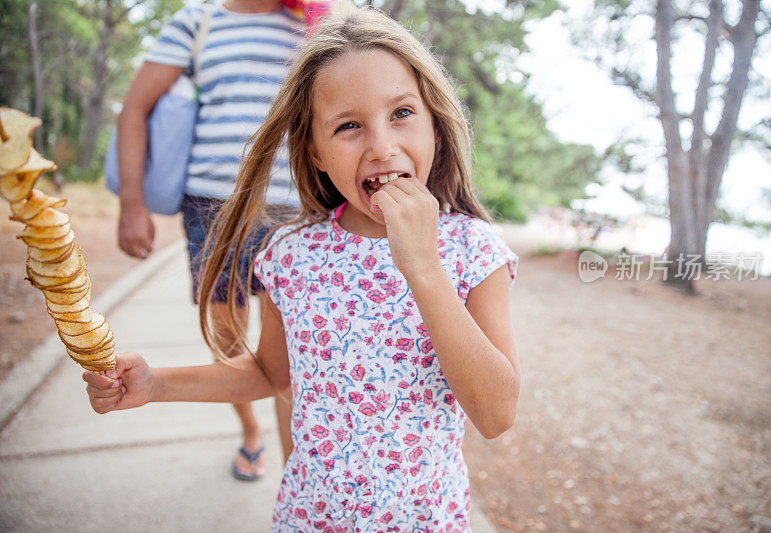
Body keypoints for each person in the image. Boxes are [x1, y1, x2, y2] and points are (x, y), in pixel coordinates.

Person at [88, 6, 520, 529]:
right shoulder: (290, 255)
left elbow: (496, 416)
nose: (382, 146)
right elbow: (271, 373)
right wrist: (157, 384)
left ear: (435, 123)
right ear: (314, 150)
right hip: (309, 518)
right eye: (349, 126)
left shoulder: (472, 251)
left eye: (402, 113)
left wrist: (424, 270)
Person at [114, 0, 306, 480]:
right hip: (212, 211)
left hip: (297, 211)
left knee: (294, 360)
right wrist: (132, 203)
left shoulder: (319, 16)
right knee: (229, 346)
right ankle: (250, 431)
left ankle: (295, 486)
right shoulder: (197, 19)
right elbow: (135, 107)